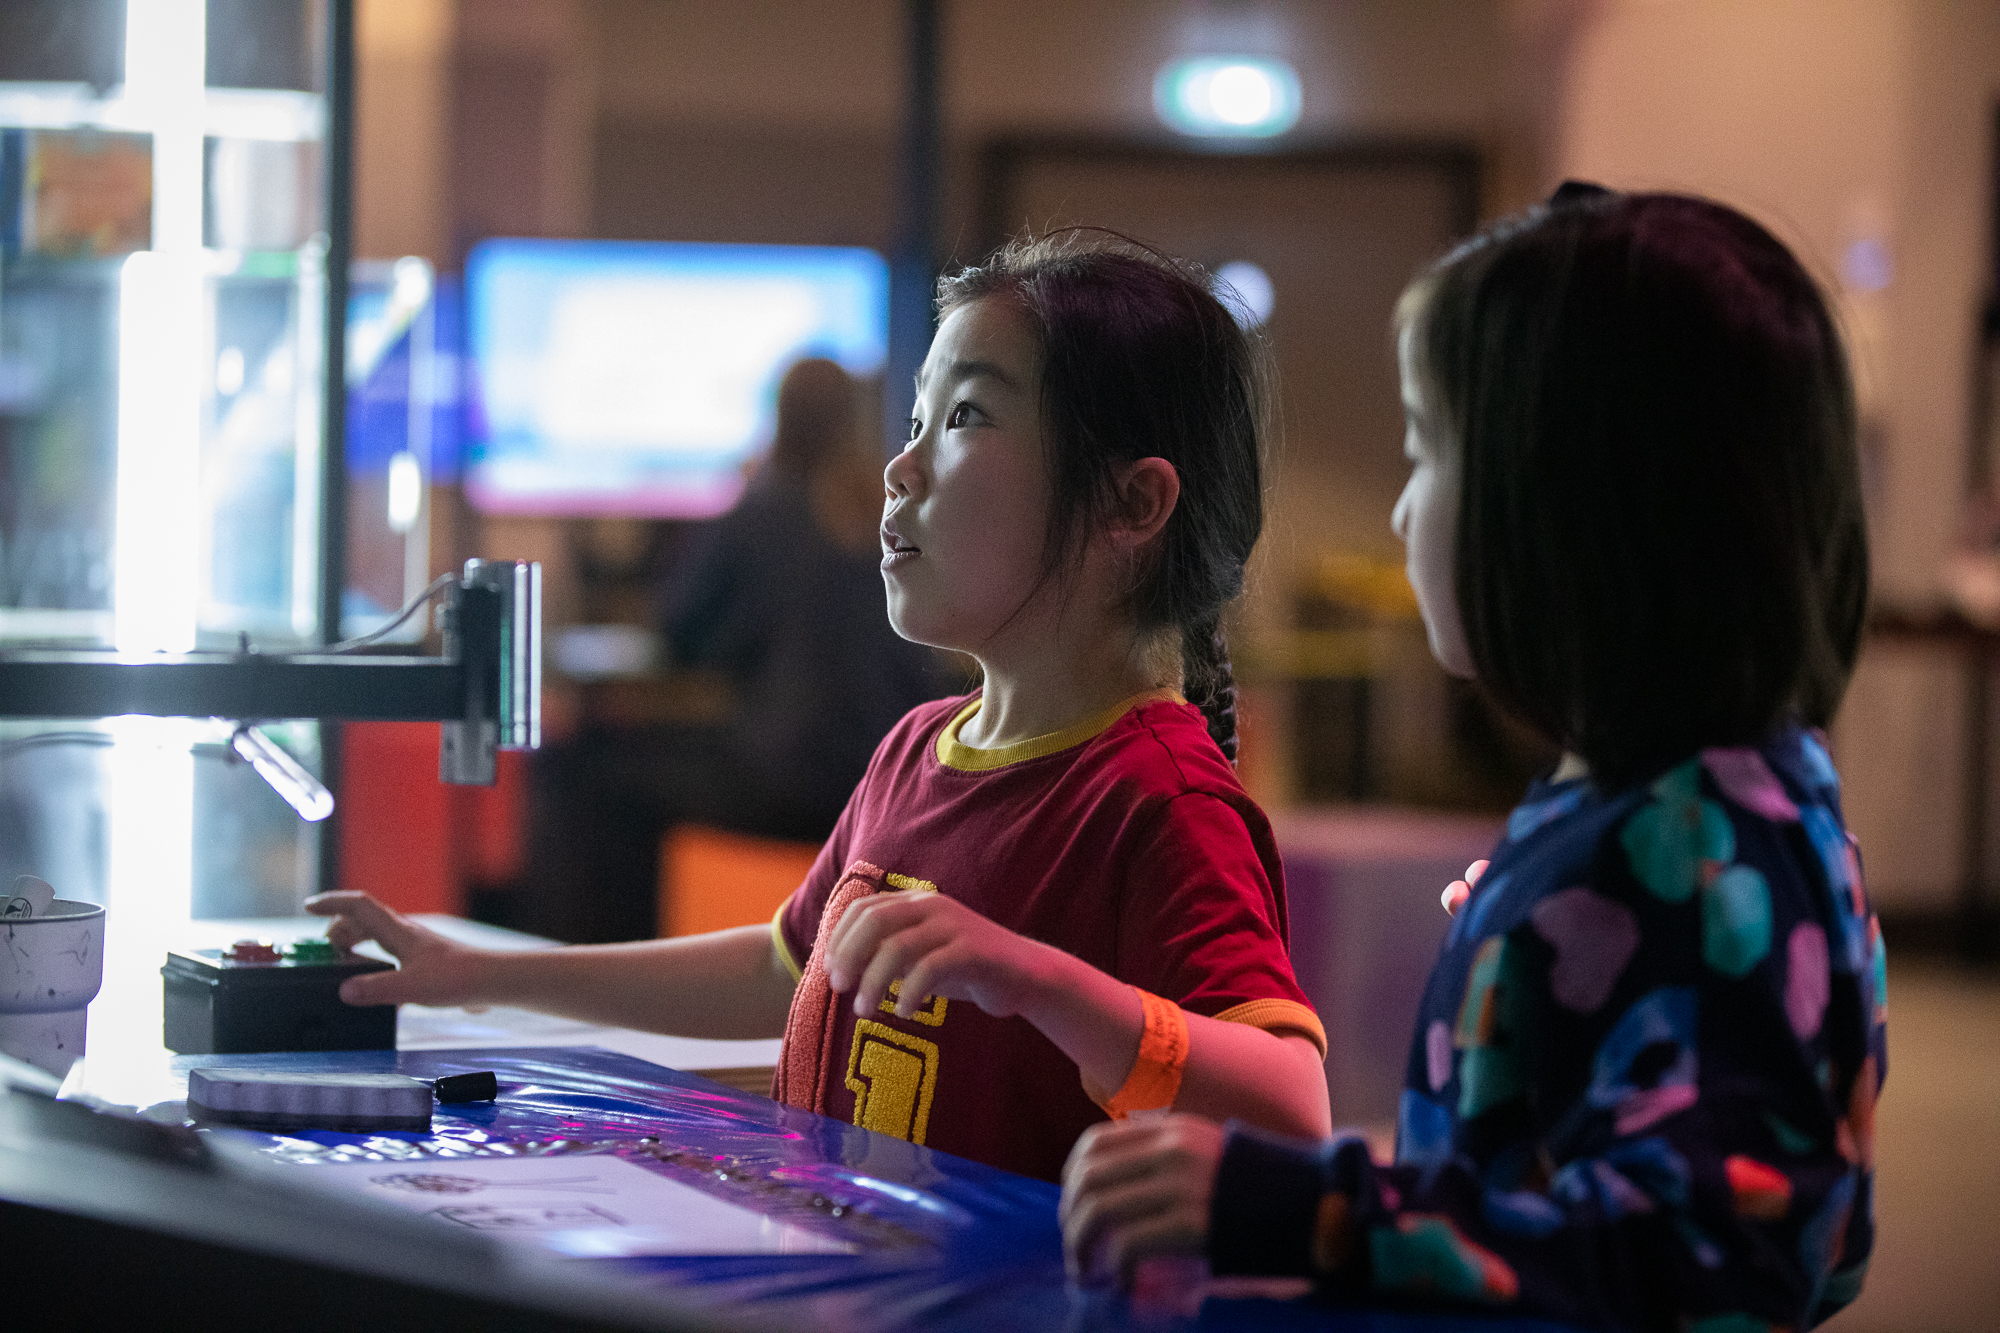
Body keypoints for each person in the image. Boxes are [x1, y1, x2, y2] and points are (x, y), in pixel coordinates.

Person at [309, 231, 1333, 1182]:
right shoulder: (918, 746)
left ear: (1131, 505)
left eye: (966, 416)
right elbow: (780, 965)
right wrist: (476, 972)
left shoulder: (1157, 798)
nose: (901, 467)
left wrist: (1041, 983)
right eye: (915, 419)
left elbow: (1291, 1107)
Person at [1060, 186, 1885, 1330]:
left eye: (1425, 454)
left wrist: (1324, 1212)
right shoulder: (1699, 809)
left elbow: (1713, 1262)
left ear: (1567, 503)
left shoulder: (1696, 853)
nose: (1399, 513)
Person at [519, 357, 949, 943]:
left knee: (577, 769)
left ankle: (594, 971)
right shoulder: (887, 512)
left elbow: (678, 634)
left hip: (783, 776)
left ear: (776, 417)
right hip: (880, 779)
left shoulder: (762, 510)